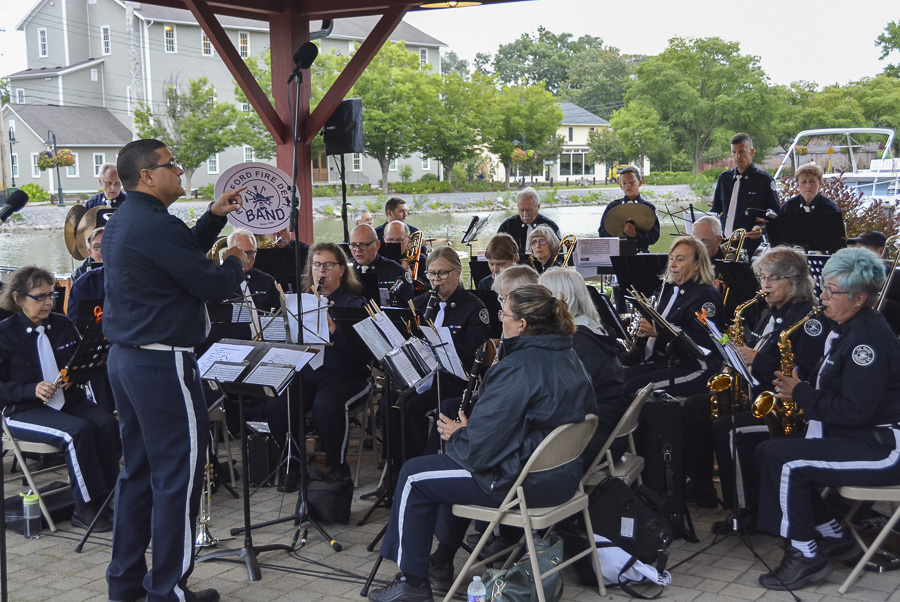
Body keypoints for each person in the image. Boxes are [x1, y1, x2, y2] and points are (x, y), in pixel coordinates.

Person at [369, 284, 596, 602]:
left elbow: (479, 452)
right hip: (562, 479)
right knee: (441, 472)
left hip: (521, 484)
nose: (500, 319)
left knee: (414, 476)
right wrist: (469, 432)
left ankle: (413, 582)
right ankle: (440, 560)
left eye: (504, 314)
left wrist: (457, 434)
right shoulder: (569, 355)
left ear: (522, 324)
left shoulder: (517, 367)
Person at [103, 138, 249, 602]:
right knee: (177, 481)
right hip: (162, 362)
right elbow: (210, 283)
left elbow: (176, 256)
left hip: (127, 358)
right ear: (148, 175)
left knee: (138, 474)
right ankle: (168, 591)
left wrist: (214, 216)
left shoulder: (125, 218)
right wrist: (235, 261)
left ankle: (125, 584)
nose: (181, 171)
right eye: (172, 165)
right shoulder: (157, 224)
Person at [755, 247, 900, 591]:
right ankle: (832, 535)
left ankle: (805, 555)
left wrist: (802, 394)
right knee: (768, 451)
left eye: (832, 292)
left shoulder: (868, 341)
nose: (822, 297)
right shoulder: (851, 327)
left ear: (859, 299)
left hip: (884, 449)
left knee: (785, 460)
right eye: (824, 288)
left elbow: (856, 410)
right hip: (863, 439)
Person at [681, 245, 830, 516]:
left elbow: (804, 372)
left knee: (728, 428)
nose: (765, 284)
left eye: (773, 278)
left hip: (786, 409)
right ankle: (701, 488)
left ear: (794, 281)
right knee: (695, 406)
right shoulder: (770, 314)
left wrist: (756, 359)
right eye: (762, 277)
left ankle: (744, 510)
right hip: (758, 394)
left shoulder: (808, 319)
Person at [0, 267, 120, 532]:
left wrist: (75, 376)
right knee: (77, 432)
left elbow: (82, 363)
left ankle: (106, 498)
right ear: (18, 298)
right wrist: (31, 389)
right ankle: (85, 508)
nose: (48, 302)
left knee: (107, 424)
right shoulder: (5, 334)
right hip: (22, 410)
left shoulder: (63, 324)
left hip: (67, 400)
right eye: (40, 297)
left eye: (51, 295)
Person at [267, 242, 372, 487]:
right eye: (316, 265)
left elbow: (364, 353)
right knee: (278, 403)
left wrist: (334, 328)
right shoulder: (299, 304)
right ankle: (294, 464)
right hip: (309, 372)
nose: (321, 271)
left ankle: (338, 467)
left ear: (341, 270)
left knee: (326, 406)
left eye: (328, 265)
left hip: (346, 373)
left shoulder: (355, 304)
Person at [389, 247, 490, 462]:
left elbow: (474, 354)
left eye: (442, 273)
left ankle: (417, 462)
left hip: (456, 378)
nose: (436, 280)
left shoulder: (474, 308)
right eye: (432, 274)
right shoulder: (420, 304)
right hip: (424, 376)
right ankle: (396, 463)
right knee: (389, 402)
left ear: (457, 272)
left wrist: (439, 347)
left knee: (414, 407)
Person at [538, 267, 624, 469]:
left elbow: (562, 403)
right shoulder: (590, 329)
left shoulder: (577, 341)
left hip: (589, 439)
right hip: (604, 432)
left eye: (540, 297)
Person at [621, 235, 724, 399]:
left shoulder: (706, 296)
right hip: (667, 362)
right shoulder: (672, 290)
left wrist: (658, 332)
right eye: (671, 259)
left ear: (697, 265)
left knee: (632, 389)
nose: (673, 265)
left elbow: (700, 344)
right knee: (616, 379)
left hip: (696, 368)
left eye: (680, 260)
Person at [711, 133, 780, 257]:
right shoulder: (724, 178)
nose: (737, 156)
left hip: (750, 245)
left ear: (751, 152)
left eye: (741, 151)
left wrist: (761, 229)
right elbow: (716, 210)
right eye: (734, 152)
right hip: (724, 243)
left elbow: (775, 214)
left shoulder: (764, 180)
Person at [225, 228, 281, 339]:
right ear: (228, 253)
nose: (245, 258)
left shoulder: (267, 281)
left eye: (250, 253)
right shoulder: (219, 280)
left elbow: (279, 315)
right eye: (240, 252)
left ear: (256, 253)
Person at [597, 166, 661, 253]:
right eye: (624, 183)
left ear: (640, 182)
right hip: (617, 255)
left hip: (641, 254)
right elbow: (602, 233)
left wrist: (635, 235)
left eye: (631, 182)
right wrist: (620, 234)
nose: (628, 186)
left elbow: (654, 236)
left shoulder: (649, 208)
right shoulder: (612, 207)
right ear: (621, 186)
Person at [348, 224, 414, 307]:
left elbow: (409, 307)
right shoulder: (343, 270)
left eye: (363, 245)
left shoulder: (397, 272)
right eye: (353, 245)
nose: (357, 250)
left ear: (377, 245)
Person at [496, 187, 560, 255]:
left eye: (529, 210)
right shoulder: (507, 227)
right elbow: (496, 253)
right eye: (522, 210)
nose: (525, 215)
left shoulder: (551, 226)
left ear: (538, 207)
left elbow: (559, 256)